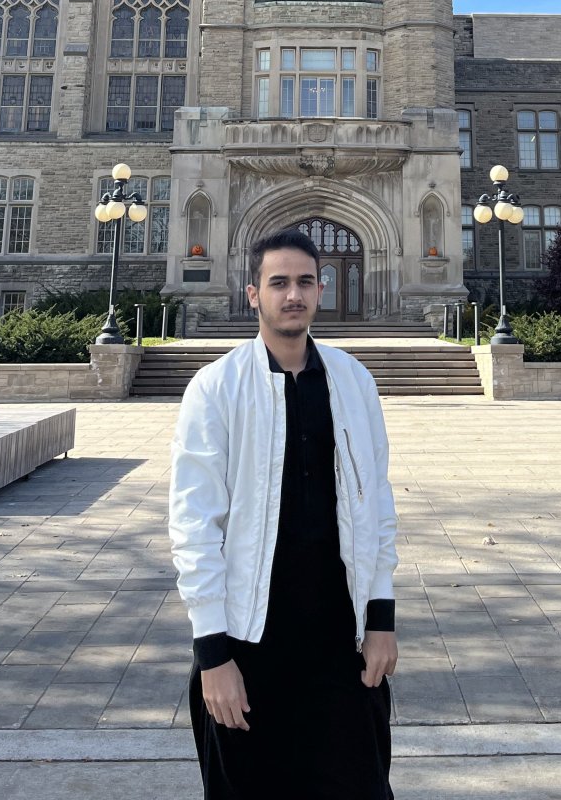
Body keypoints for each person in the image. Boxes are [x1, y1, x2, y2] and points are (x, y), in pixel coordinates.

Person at [169, 227, 399, 799]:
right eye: (278, 283)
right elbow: (195, 526)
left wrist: (381, 620)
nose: (292, 295)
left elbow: (379, 507)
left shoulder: (354, 382)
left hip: (338, 644)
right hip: (249, 646)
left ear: (321, 290)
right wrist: (212, 656)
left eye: (304, 282)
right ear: (254, 294)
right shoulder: (215, 388)